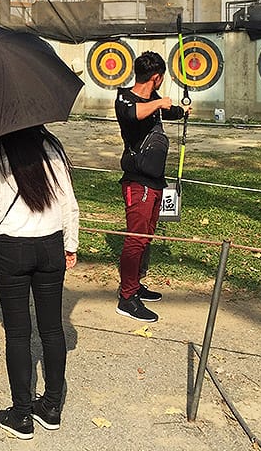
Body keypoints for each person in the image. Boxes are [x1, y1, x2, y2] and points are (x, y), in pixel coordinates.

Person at [0, 126, 79, 439]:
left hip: (12, 245)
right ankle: (51, 407)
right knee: (52, 328)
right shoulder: (51, 146)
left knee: (18, 332)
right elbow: (68, 201)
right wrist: (70, 244)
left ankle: (20, 413)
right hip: (50, 244)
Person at [114, 51, 189, 323]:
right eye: (162, 78)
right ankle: (126, 298)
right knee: (135, 239)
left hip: (155, 181)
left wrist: (183, 110)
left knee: (146, 238)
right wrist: (159, 105)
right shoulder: (125, 98)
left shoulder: (155, 101)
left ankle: (135, 284)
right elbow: (134, 115)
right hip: (137, 182)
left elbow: (171, 110)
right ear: (156, 78)